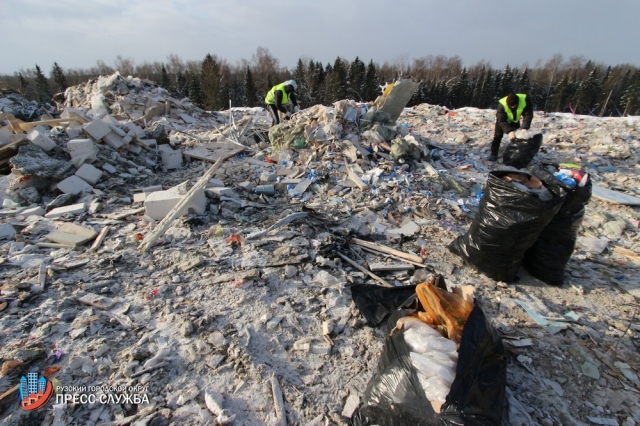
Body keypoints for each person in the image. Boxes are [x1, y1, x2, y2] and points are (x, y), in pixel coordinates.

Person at [488, 93, 533, 161]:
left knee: (517, 137)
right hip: (503, 120)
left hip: (515, 120)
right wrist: (509, 131)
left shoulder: (524, 100)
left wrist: (524, 127)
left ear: (517, 103)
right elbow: (501, 120)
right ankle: (494, 153)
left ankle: (516, 154)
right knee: (498, 136)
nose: (512, 107)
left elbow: (528, 114)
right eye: (511, 106)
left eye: (514, 106)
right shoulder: (502, 105)